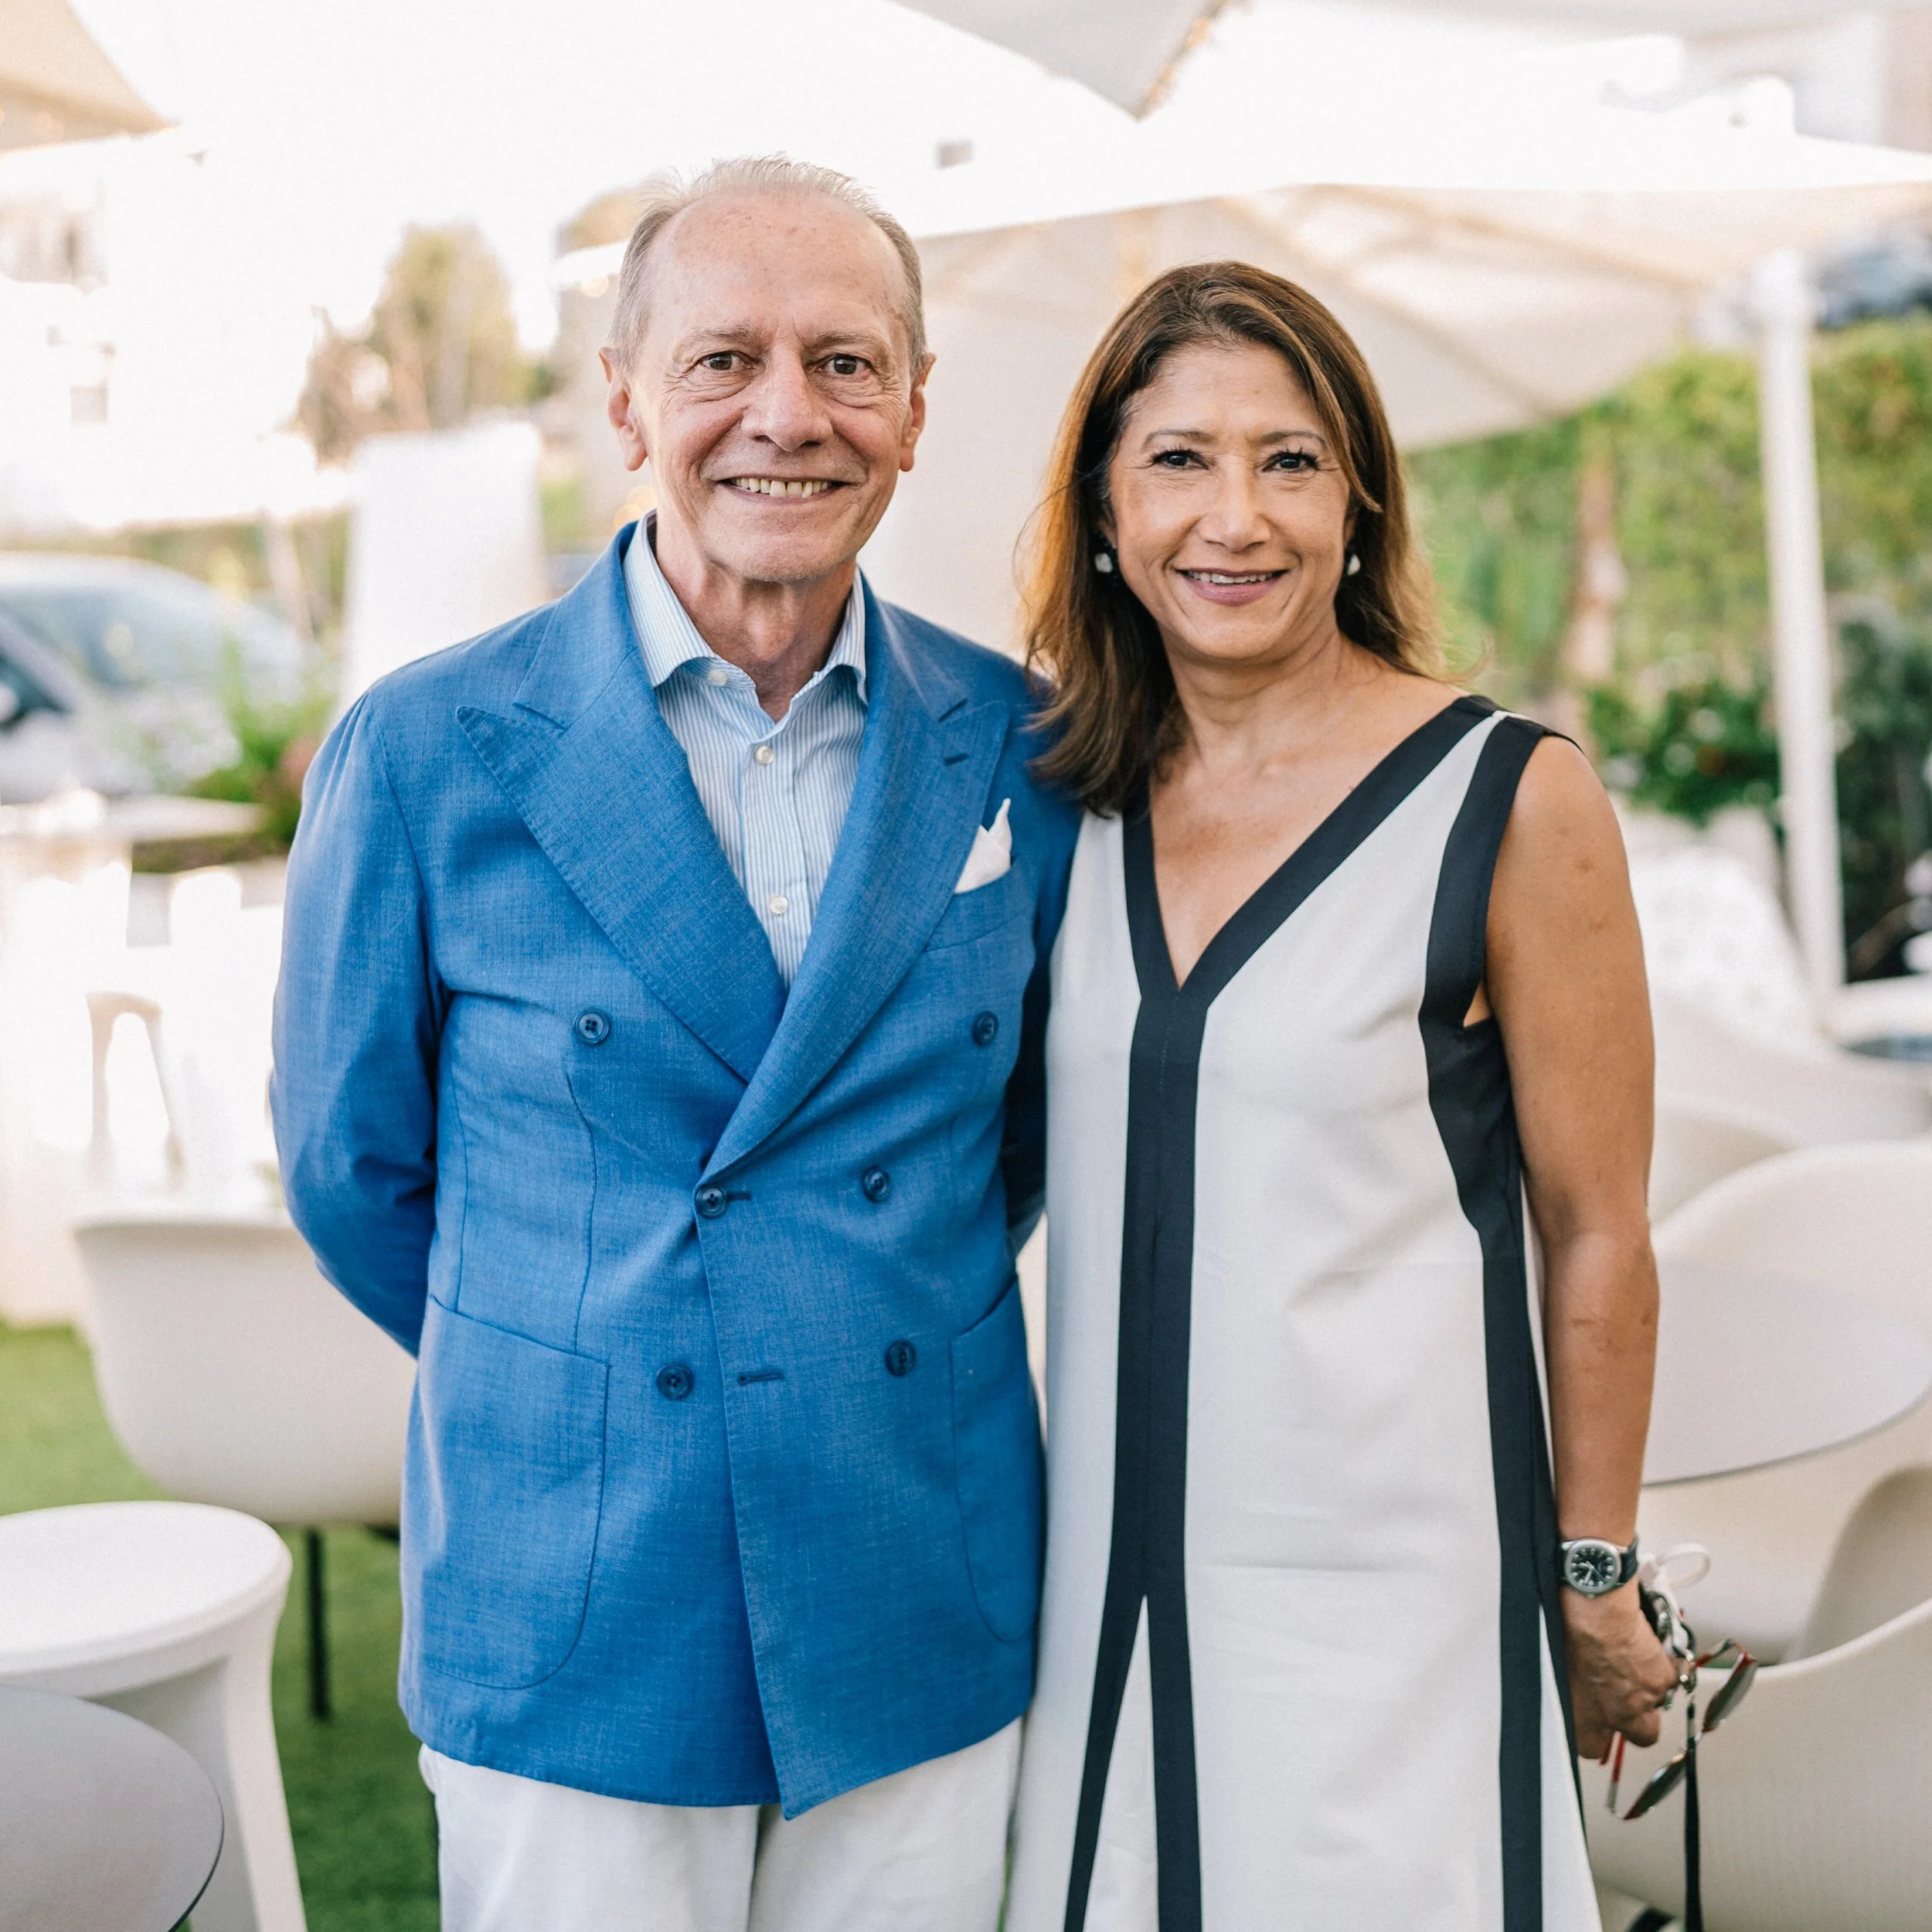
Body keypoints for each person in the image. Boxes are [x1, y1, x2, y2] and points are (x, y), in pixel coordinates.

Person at [272, 157, 1078, 1932]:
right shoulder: (423, 749)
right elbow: (352, 1169)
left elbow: (1021, 1130)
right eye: (724, 359)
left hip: (912, 1557)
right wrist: (580, 1343)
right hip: (576, 1573)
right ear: (627, 401)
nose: (785, 414)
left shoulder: (1023, 742)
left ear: (916, 412)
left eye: (844, 362)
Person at [1003, 261, 1678, 1932]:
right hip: (1100, 1595)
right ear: (1101, 503)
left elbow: (1595, 1229)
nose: (1233, 516)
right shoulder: (1051, 808)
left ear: (1360, 505)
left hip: (1389, 1608)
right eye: (1176, 459)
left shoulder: (1505, 795)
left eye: (1288, 460)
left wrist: (1590, 1578)